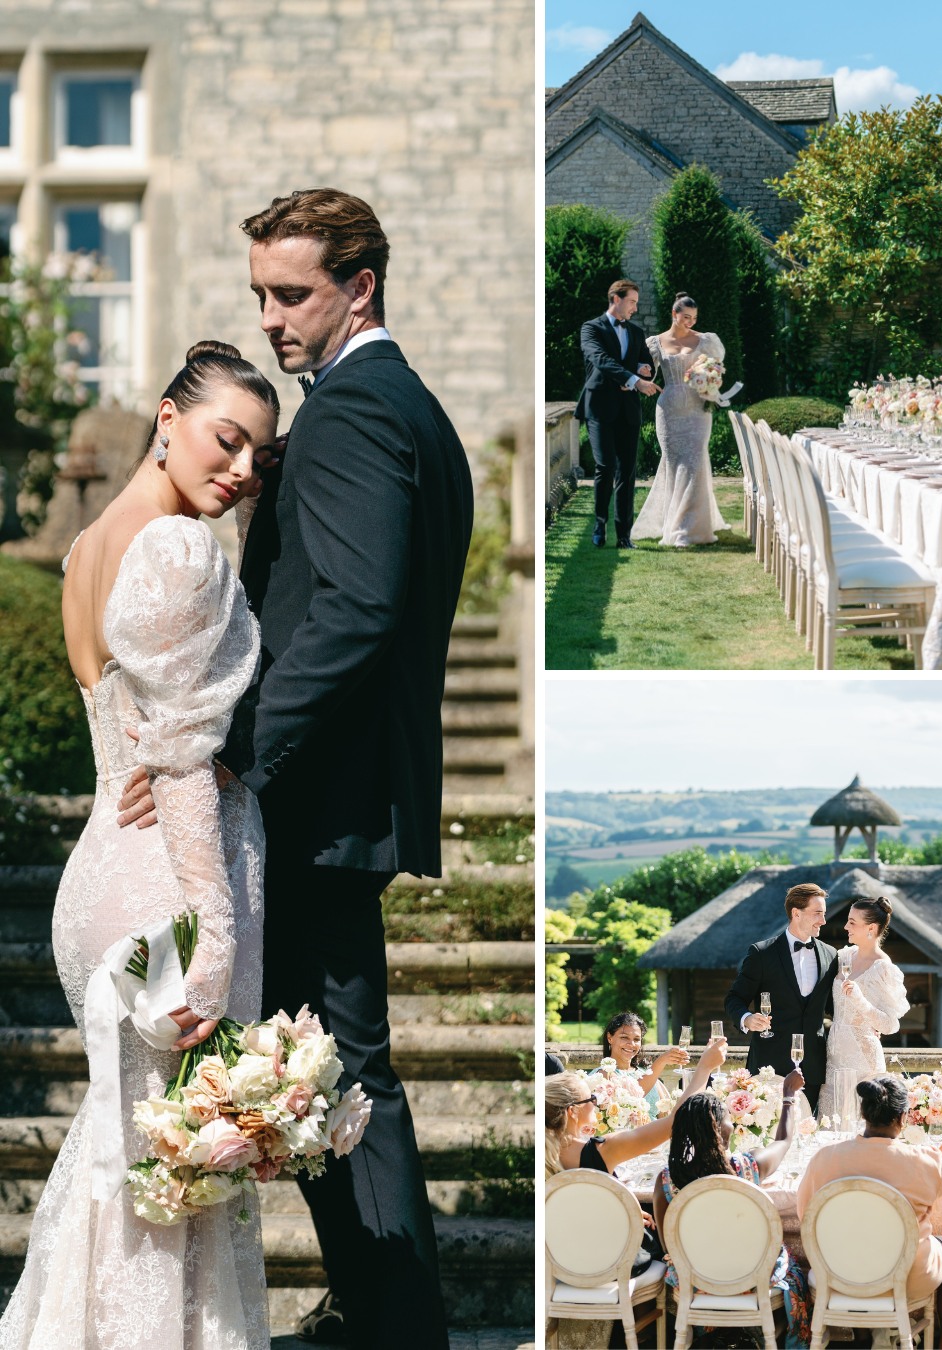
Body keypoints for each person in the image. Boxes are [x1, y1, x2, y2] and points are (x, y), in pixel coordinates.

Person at [120, 189, 473, 1348]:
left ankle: (396, 1317)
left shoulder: (357, 412)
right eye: (261, 293)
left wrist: (237, 757)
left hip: (317, 798)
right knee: (316, 1068)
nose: (270, 316)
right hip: (346, 794)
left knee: (335, 1071)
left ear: (358, 287)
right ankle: (375, 1303)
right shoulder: (406, 410)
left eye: (292, 293)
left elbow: (360, 612)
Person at [0, 343, 279, 1348]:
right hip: (165, 881)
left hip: (98, 880)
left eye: (259, 454)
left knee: (130, 1156)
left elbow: (127, 729)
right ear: (168, 419)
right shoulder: (179, 550)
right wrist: (214, 940)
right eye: (226, 438)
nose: (242, 468)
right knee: (175, 1177)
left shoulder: (89, 546)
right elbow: (177, 762)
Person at [796, 1076, 942, 1350]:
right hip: (906, 1278)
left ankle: (866, 1336)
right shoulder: (922, 1162)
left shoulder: (825, 1158)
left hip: (838, 1273)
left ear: (863, 1113)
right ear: (903, 1117)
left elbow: (805, 1216)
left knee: (853, 1244)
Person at [652, 1070, 811, 1349]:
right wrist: (788, 1097)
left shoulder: (666, 1179)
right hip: (754, 1279)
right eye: (727, 1115)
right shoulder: (745, 1167)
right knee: (797, 1267)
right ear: (719, 1127)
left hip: (696, 1281)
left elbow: (669, 1245)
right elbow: (783, 1142)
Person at [545, 1036, 728, 1178]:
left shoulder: (546, 1154)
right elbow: (676, 1121)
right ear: (572, 1111)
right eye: (590, 1098)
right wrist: (704, 1068)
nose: (596, 1102)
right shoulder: (603, 1150)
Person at [725, 881, 838, 1111]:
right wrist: (747, 1018)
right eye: (818, 913)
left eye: (824, 914)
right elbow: (734, 999)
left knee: (807, 1135)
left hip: (813, 1068)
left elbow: (834, 1007)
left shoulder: (831, 954)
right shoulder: (762, 954)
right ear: (796, 913)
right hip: (769, 1065)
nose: (823, 921)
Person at [631, 293, 730, 547]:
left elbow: (716, 368)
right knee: (674, 465)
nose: (690, 322)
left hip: (698, 410)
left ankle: (690, 530)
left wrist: (709, 377)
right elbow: (644, 372)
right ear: (674, 315)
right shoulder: (655, 343)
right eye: (686, 317)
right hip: (669, 410)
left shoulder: (706, 341)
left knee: (696, 462)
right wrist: (641, 375)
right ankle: (674, 522)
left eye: (694, 318)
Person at [575, 279, 658, 549]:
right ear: (616, 299)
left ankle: (624, 534)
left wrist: (644, 369)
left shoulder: (635, 332)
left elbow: (647, 361)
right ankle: (600, 523)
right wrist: (634, 379)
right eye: (632, 301)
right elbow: (600, 359)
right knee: (605, 466)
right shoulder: (591, 328)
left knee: (627, 471)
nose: (635, 307)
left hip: (628, 410)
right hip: (599, 406)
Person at [819, 898, 909, 1118]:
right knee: (829, 1124)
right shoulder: (844, 956)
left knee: (859, 1121)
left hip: (863, 1058)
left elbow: (889, 1025)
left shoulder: (884, 969)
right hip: (834, 1055)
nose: (845, 927)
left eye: (852, 922)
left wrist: (861, 1001)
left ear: (871, 928)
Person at [590, 1010, 689, 1118]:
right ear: (610, 1038)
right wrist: (661, 1062)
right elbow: (630, 1100)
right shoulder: (602, 1075)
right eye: (624, 1037)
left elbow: (665, 1116)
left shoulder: (646, 1074)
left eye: (636, 1039)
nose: (631, 1044)